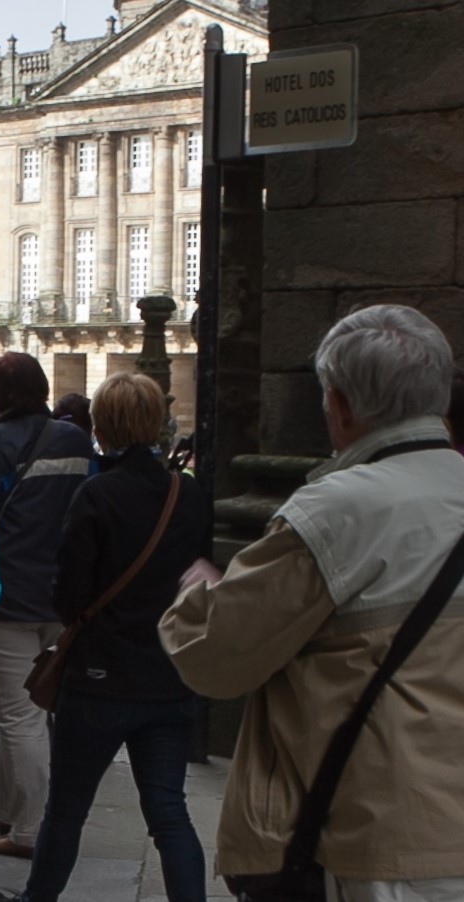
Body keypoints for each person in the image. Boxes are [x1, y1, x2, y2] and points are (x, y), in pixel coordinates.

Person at [160, 304, 464, 901]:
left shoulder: (335, 510)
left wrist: (198, 594)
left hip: (380, 834)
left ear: (341, 404)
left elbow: (216, 657)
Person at [0, 372, 207, 902]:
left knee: (67, 810)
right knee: (169, 811)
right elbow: (201, 575)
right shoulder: (190, 493)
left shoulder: (97, 494)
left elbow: (68, 592)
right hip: (170, 673)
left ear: (102, 429)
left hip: (100, 678)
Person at [0, 352, 93, 858]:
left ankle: (32, 830)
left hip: (7, 596)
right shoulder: (77, 440)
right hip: (64, 597)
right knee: (38, 712)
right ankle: (13, 816)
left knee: (18, 716)